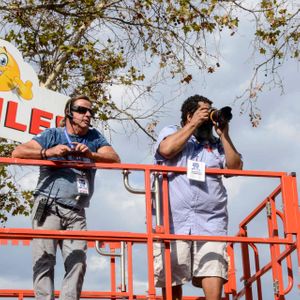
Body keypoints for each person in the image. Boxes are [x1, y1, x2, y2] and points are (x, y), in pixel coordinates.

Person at [12, 95, 120, 300]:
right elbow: (18, 151)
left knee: (78, 262)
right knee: (44, 260)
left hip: (76, 210)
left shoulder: (94, 137)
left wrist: (92, 155)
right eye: (82, 110)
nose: (88, 115)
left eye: (90, 112)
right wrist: (47, 152)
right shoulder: (53, 134)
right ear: (69, 112)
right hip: (48, 205)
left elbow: (115, 158)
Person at [153, 95, 243, 300]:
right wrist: (193, 124)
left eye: (210, 112)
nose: (208, 117)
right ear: (188, 115)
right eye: (204, 112)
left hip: (211, 220)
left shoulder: (216, 144)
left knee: (214, 266)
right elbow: (166, 150)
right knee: (172, 270)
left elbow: (235, 168)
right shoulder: (171, 132)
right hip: (173, 220)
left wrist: (224, 135)